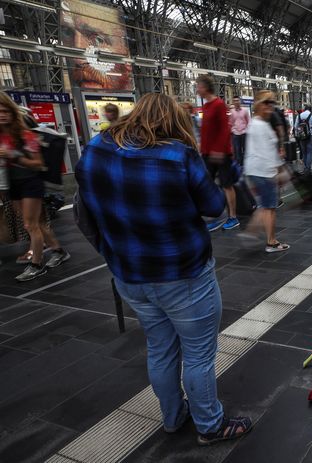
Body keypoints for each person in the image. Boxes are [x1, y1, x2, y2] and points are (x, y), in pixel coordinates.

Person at [75, 93, 251, 445]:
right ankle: (210, 426)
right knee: (199, 355)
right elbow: (215, 206)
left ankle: (172, 418)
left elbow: (84, 211)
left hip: (130, 275)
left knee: (160, 348)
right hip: (183, 274)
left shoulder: (95, 149)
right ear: (174, 121)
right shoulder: (178, 156)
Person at [0, 92, 69, 281]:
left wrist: (12, 154)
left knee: (31, 225)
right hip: (13, 185)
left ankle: (37, 264)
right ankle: (58, 251)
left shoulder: (25, 135)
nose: (2, 115)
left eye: (5, 111)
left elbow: (37, 164)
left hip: (30, 182)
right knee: (34, 223)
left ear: (13, 113)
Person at [243, 90, 289, 253]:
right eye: (268, 103)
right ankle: (272, 242)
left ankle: (251, 232)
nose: (271, 107)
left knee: (264, 205)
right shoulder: (261, 126)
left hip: (254, 171)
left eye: (273, 104)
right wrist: (279, 171)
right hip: (264, 172)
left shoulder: (254, 123)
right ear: (260, 105)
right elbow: (268, 153)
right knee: (270, 207)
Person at [196, 75, 239, 231]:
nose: (197, 89)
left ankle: (233, 217)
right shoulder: (206, 106)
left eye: (198, 86)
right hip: (207, 153)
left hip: (221, 154)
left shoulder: (219, 104)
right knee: (207, 185)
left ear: (206, 87)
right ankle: (216, 216)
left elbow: (225, 130)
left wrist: (219, 150)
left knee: (227, 185)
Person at [295, 104, 312, 173]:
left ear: (304, 109)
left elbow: (295, 126)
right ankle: (308, 168)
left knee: (304, 153)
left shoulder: (299, 116)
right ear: (310, 109)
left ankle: (305, 168)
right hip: (309, 136)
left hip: (301, 136)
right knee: (309, 153)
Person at [229, 96, 250, 166]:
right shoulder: (232, 112)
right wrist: (232, 130)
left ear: (240, 101)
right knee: (237, 150)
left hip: (244, 132)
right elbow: (231, 122)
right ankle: (240, 165)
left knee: (245, 149)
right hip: (235, 133)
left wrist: (247, 130)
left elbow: (248, 121)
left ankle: (245, 164)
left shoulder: (245, 110)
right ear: (233, 102)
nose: (236, 102)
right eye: (234, 101)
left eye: (237, 100)